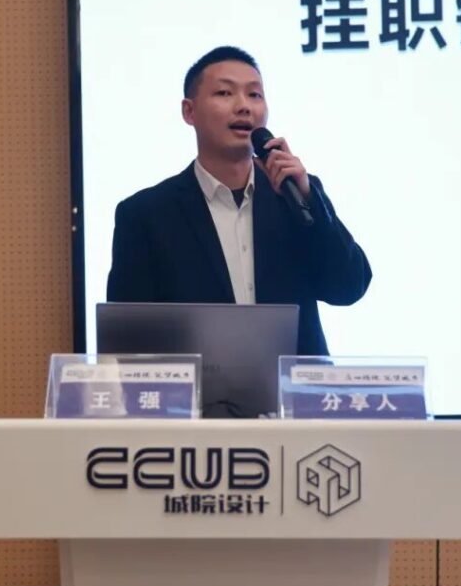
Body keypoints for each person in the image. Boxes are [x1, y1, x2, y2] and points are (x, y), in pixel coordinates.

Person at [106, 46, 371, 355]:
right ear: (189, 111)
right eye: (224, 93)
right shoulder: (145, 215)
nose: (244, 106)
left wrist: (309, 199)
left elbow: (348, 287)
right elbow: (128, 339)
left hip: (293, 385)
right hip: (199, 386)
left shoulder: (295, 195)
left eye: (255, 95)